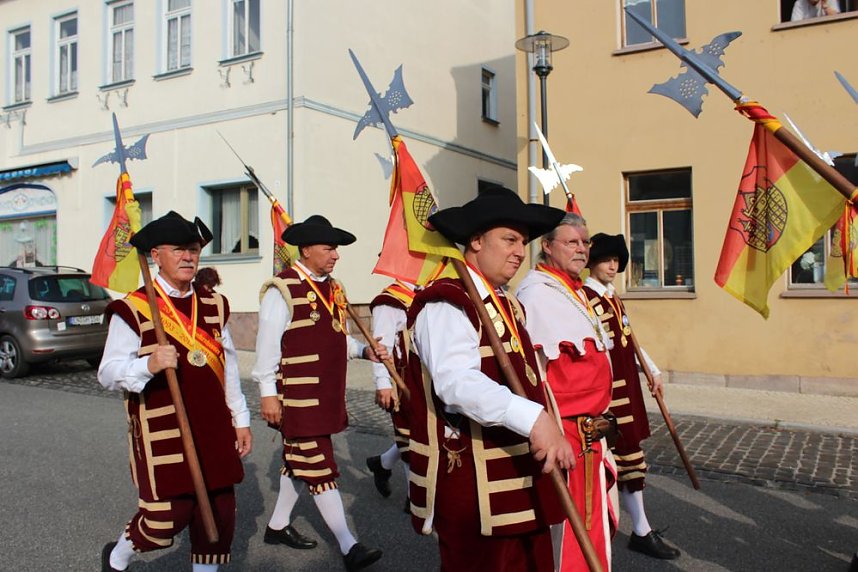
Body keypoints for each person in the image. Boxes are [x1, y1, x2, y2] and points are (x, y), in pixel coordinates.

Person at [405, 185, 574, 570]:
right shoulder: (447, 301)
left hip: (520, 475)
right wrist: (534, 419)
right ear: (476, 241)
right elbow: (456, 383)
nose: (519, 251)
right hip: (478, 486)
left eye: (524, 242)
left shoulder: (505, 303)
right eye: (509, 239)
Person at [98, 211, 252, 572]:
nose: (189, 257)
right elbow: (107, 373)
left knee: (218, 517)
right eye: (180, 249)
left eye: (195, 250)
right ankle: (117, 557)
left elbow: (227, 367)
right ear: (156, 255)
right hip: (163, 432)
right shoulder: (132, 309)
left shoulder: (214, 304)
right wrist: (147, 365)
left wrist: (241, 419)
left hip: (213, 426)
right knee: (166, 517)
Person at [252, 215, 387, 572]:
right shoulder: (281, 289)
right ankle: (349, 546)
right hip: (296, 398)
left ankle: (277, 527)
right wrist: (268, 393)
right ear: (307, 249)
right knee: (321, 467)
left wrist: (363, 351)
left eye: (336, 249)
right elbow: (267, 347)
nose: (336, 255)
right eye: (329, 248)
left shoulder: (333, 288)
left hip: (325, 394)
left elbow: (336, 337)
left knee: (300, 465)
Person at [516, 213, 618, 571]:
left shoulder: (574, 289)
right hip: (566, 431)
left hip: (590, 430)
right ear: (546, 246)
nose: (582, 249)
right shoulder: (537, 292)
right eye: (572, 242)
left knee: (591, 525)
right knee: (568, 529)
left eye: (585, 242)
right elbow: (538, 375)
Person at [583, 233, 681, 560]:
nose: (612, 266)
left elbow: (630, 342)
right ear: (592, 262)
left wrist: (651, 371)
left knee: (631, 459)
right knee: (618, 460)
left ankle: (638, 528)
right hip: (610, 395)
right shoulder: (586, 299)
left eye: (616, 261)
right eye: (606, 260)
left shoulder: (612, 297)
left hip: (629, 389)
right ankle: (631, 530)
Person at [365, 280, 416, 509]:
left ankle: (382, 463)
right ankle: (414, 496)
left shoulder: (425, 293)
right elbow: (380, 347)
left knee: (422, 433)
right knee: (408, 435)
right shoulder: (389, 302)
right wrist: (383, 383)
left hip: (424, 379)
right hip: (402, 379)